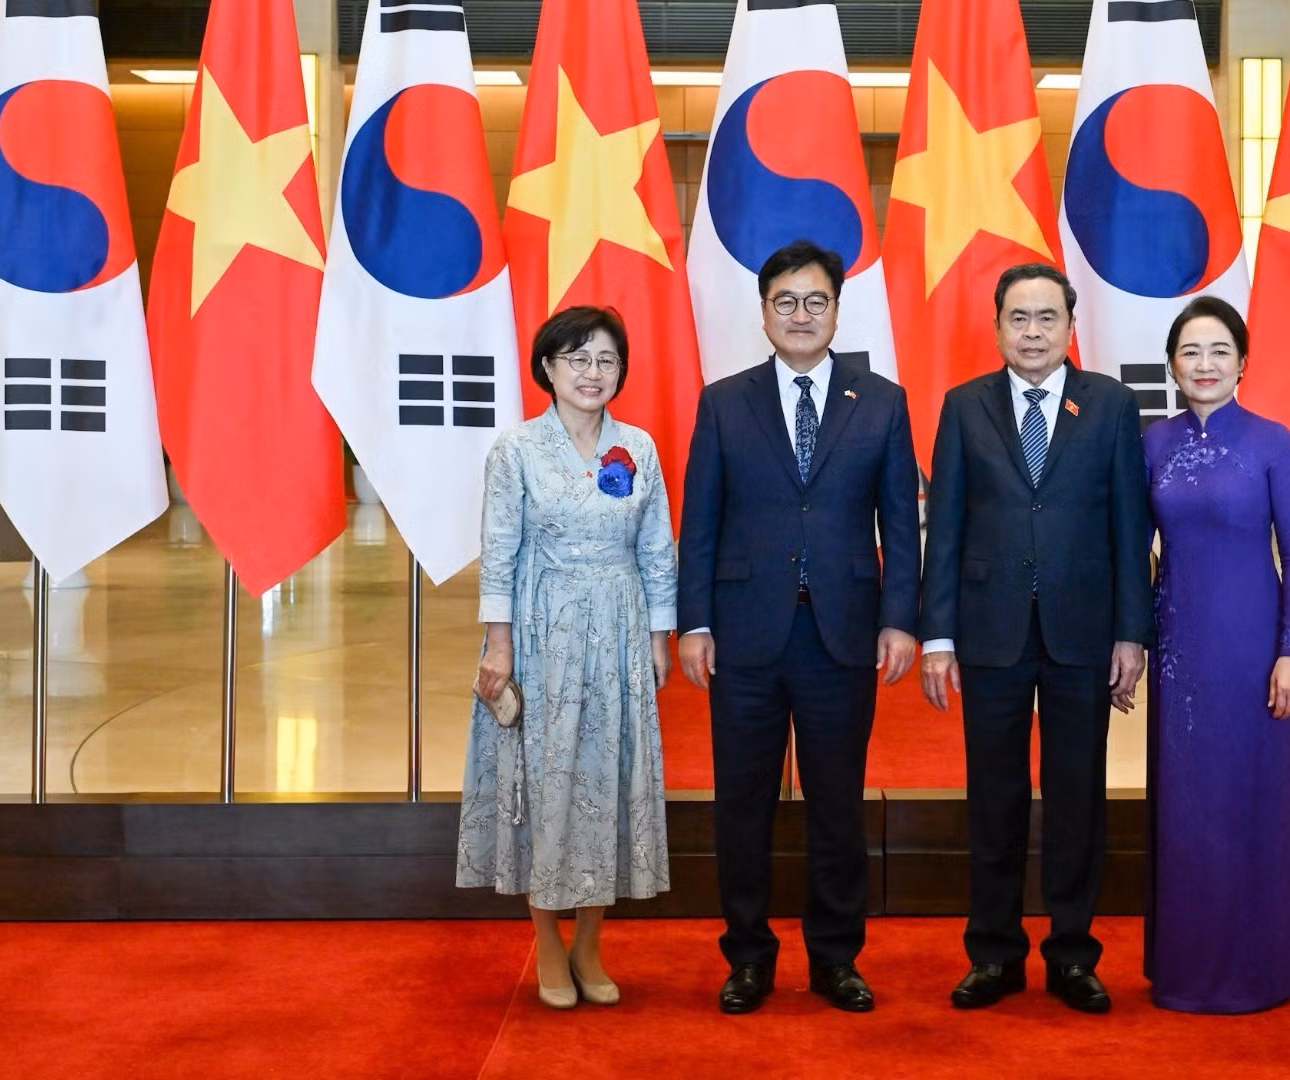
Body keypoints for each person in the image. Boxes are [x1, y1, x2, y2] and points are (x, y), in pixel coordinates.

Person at [677, 240, 921, 1015]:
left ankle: (835, 958)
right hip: (745, 635)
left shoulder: (880, 401)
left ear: (837, 310)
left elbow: (901, 528)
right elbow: (701, 523)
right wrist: (694, 622)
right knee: (741, 805)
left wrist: (900, 620)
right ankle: (747, 956)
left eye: (815, 301)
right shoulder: (724, 401)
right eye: (785, 301)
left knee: (837, 806)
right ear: (763, 313)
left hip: (843, 635)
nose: (801, 315)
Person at [920, 263, 1153, 1014]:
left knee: (1078, 798)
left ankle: (1073, 955)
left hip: (1083, 633)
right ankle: (993, 954)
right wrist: (937, 636)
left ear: (1070, 325)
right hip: (989, 635)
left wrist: (1130, 633)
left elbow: (1129, 526)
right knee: (994, 798)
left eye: (1046, 317)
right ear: (997, 328)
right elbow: (945, 529)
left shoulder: (1112, 406)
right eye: (1018, 318)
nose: (1032, 332)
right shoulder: (963, 408)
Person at [457, 306, 676, 1011]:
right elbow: (499, 552)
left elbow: (655, 550)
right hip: (541, 630)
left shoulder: (637, 448)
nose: (592, 372)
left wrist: (659, 638)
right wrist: (498, 646)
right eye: (577, 358)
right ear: (547, 367)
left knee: (606, 782)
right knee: (546, 787)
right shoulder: (517, 450)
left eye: (607, 359)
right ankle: (547, 940)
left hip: (618, 628)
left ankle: (590, 941)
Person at [1143, 295, 1290, 1014]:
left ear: (1243, 362)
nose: (1205, 364)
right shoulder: (1151, 443)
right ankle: (1185, 969)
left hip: (1252, 650)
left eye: (1219, 351)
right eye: (1191, 352)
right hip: (1179, 651)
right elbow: (1132, 549)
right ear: (1173, 366)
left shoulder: (1274, 442)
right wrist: (1131, 640)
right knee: (1185, 805)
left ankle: (1257, 969)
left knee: (1249, 800)